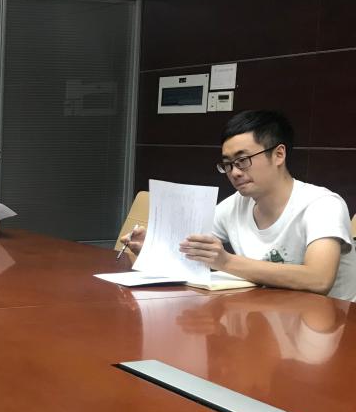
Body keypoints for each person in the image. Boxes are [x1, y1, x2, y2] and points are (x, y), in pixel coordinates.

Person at [120, 110, 355, 301]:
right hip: (268, 315)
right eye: (228, 164)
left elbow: (319, 279)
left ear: (279, 154)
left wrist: (226, 261)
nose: (234, 172)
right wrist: (154, 248)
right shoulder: (237, 204)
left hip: (332, 326)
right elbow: (192, 247)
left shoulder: (322, 205)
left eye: (242, 161)